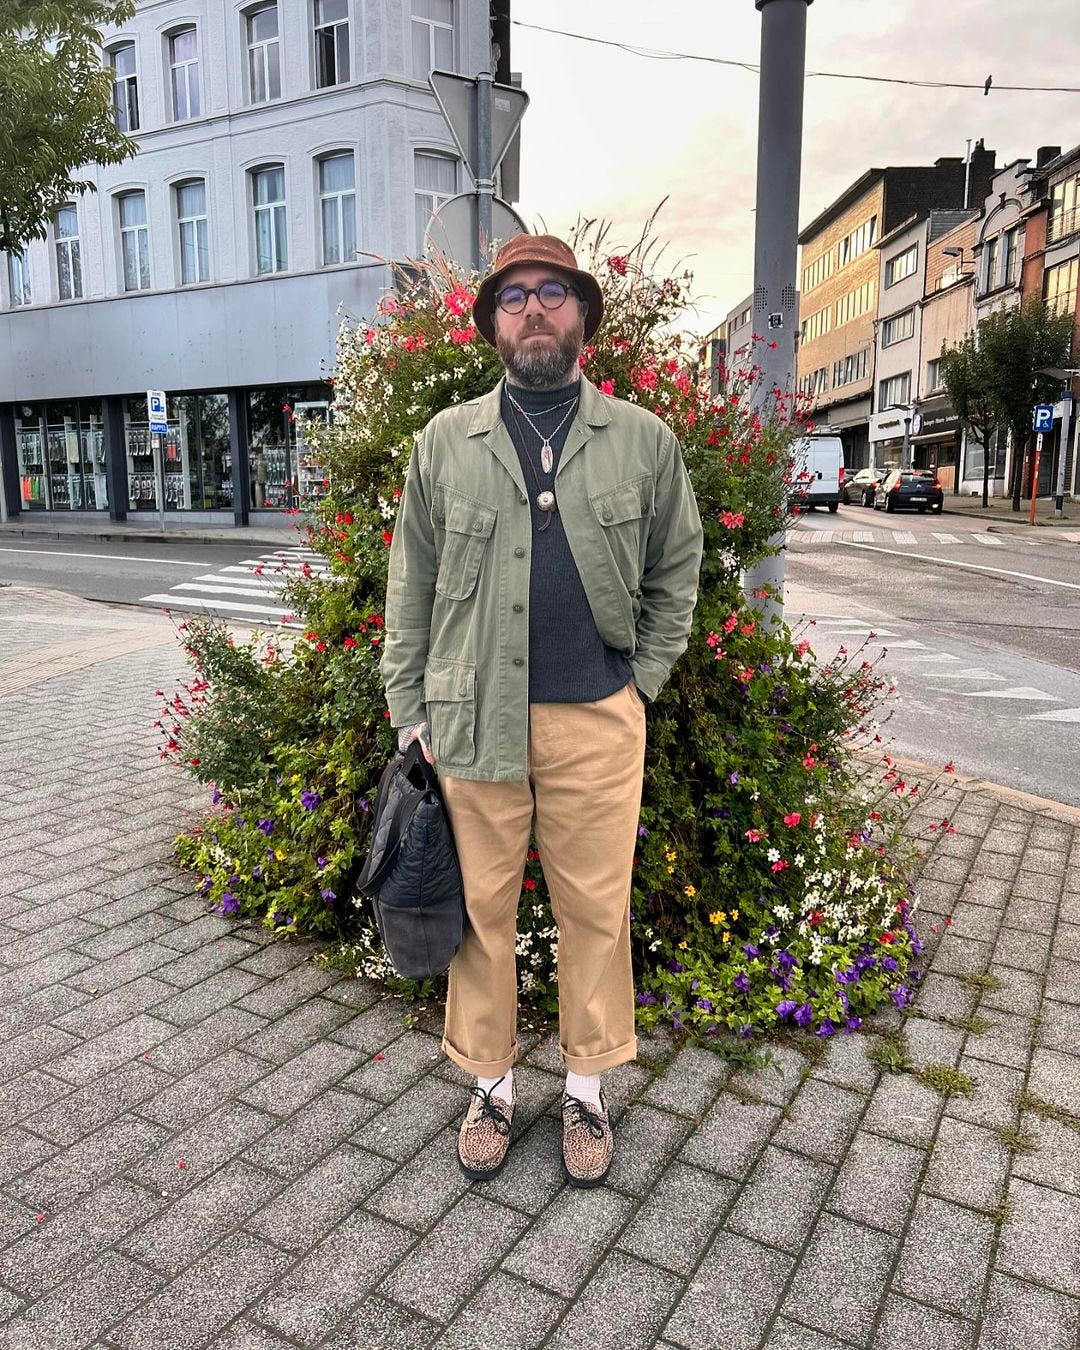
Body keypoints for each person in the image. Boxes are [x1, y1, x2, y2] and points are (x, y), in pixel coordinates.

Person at [381, 234, 703, 1188]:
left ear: (582, 318)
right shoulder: (447, 440)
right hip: (470, 717)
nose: (533, 310)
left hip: (598, 718)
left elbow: (679, 567)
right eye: (514, 296)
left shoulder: (644, 441)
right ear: (491, 324)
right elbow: (414, 582)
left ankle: (587, 1093)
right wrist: (409, 702)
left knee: (594, 911)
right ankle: (490, 1086)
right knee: (481, 913)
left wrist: (641, 677)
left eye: (551, 293)